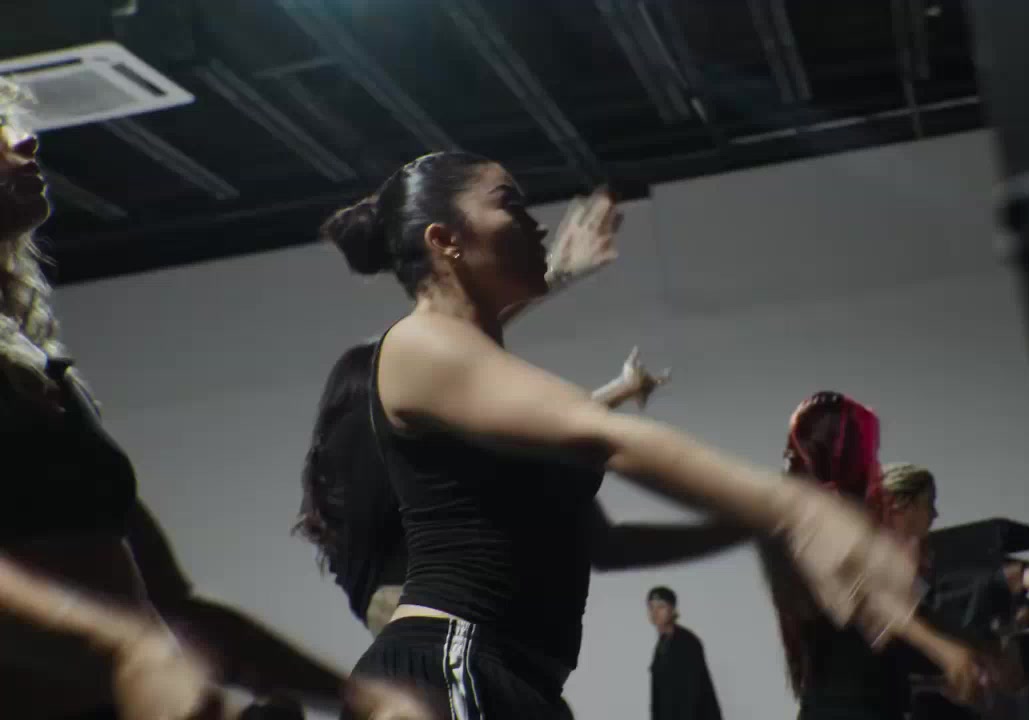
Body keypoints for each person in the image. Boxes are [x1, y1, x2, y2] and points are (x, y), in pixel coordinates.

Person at [323, 152, 921, 719]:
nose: (537, 223)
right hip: (451, 662)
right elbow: (606, 435)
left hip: (517, 677)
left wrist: (751, 525)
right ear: (445, 240)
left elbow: (607, 546)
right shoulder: (416, 344)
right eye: (510, 203)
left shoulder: (481, 386)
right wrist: (799, 509)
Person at [0, 76, 427, 720]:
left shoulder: (35, 363)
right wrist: (134, 656)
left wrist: (365, 699)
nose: (26, 140)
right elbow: (137, 646)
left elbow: (174, 604)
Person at [296, 340, 746, 636]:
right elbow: (514, 441)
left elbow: (518, 440)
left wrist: (617, 393)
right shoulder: (366, 450)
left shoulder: (353, 478)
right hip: (435, 624)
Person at [759, 393, 985, 720]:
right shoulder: (820, 531)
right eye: (869, 454)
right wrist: (943, 649)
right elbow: (867, 605)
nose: (876, 468)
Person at [646, 586, 722, 720]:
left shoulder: (687, 642)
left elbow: (692, 695)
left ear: (673, 610)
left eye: (661, 607)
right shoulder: (662, 644)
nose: (655, 612)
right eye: (651, 607)